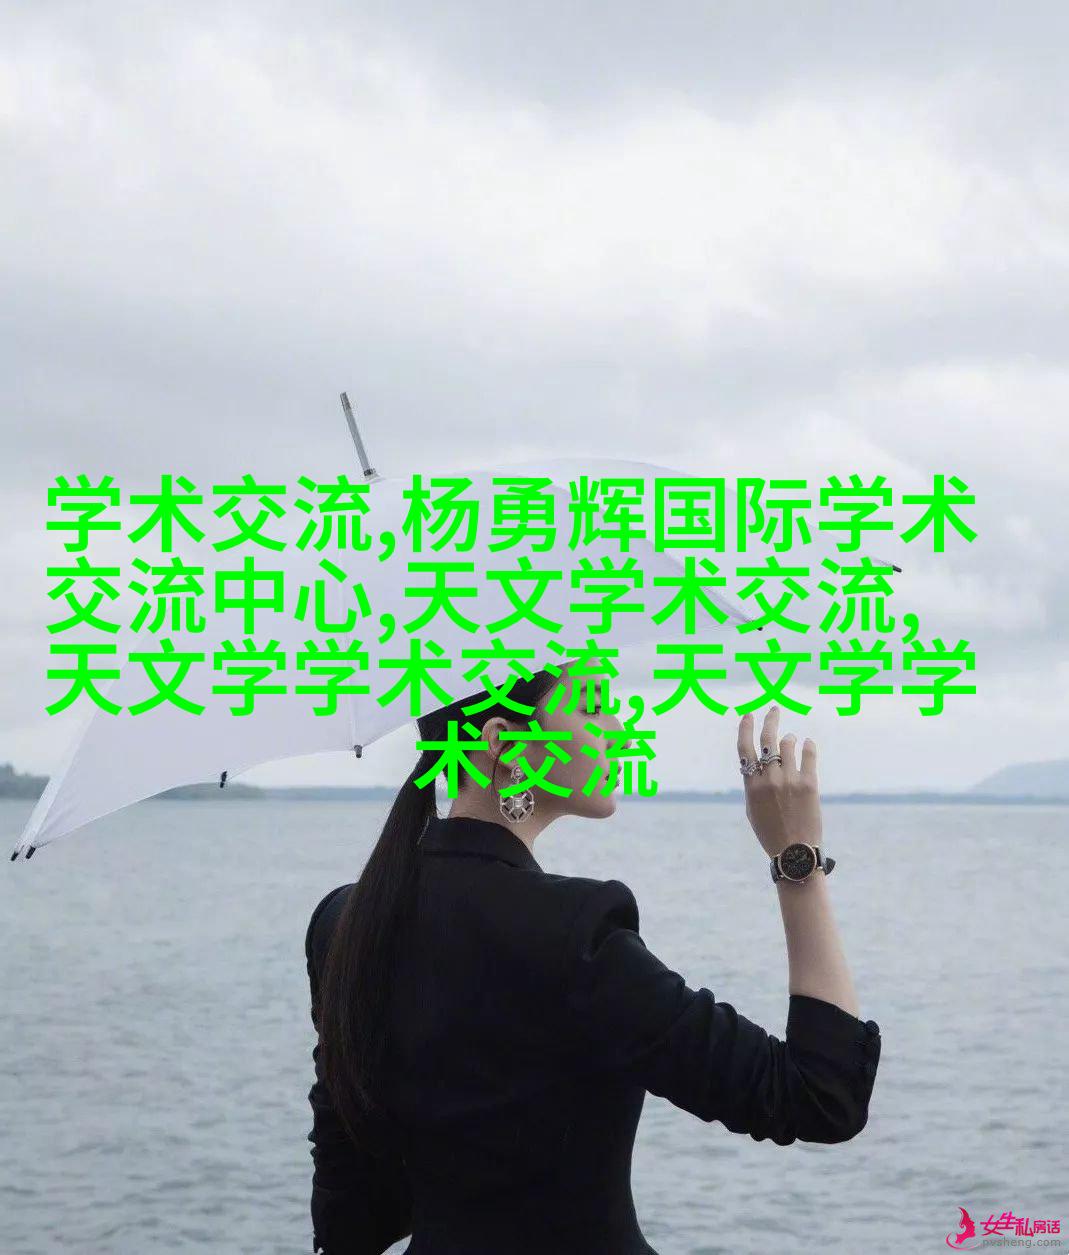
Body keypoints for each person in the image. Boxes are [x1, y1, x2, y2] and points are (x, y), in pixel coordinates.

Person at [304, 663, 882, 1254]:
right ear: (504, 743)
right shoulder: (572, 931)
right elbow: (820, 1095)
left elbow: (351, 1216)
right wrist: (797, 858)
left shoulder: (343, 922)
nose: (619, 731)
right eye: (591, 708)